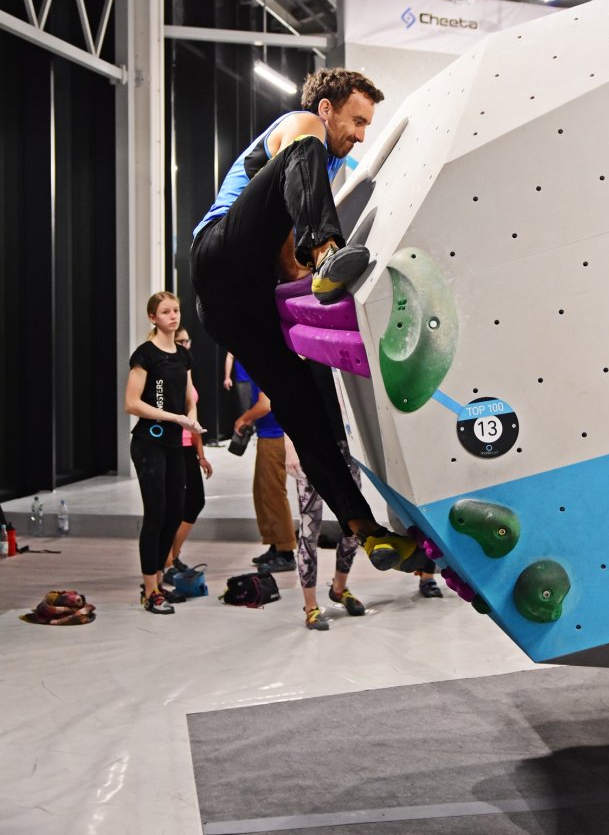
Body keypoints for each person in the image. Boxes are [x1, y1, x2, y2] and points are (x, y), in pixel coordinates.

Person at [190, 67, 431, 576]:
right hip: (217, 256)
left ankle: (364, 528)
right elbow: (288, 219)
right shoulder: (304, 127)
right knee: (306, 155)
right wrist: (322, 257)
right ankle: (328, 248)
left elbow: (283, 262)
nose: (361, 135)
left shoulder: (315, 174)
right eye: (357, 120)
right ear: (327, 108)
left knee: (303, 410)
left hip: (238, 308)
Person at [124, 292, 205, 615]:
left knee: (175, 513)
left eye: (176, 310)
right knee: (155, 514)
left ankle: (158, 581)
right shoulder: (145, 355)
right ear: (153, 318)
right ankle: (149, 590)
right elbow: (131, 403)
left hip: (175, 444)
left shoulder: (183, 357)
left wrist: (193, 417)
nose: (173, 316)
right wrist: (173, 417)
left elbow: (190, 398)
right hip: (149, 443)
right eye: (166, 312)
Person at [285, 360, 365, 632]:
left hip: (346, 447)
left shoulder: (339, 354)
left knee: (356, 525)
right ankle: (310, 606)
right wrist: (290, 447)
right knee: (310, 528)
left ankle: (339, 588)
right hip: (311, 447)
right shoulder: (298, 352)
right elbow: (285, 401)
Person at [232, 362, 297, 573]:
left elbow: (265, 404)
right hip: (267, 434)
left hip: (275, 436)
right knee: (262, 492)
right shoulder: (248, 362)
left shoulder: (260, 362)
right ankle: (275, 544)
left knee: (273, 493)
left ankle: (286, 552)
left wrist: (244, 417)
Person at [162, 327, 213, 586]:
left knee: (193, 503)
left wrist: (201, 455)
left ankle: (173, 556)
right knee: (181, 504)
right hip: (173, 448)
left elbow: (195, 418)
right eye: (179, 341)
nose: (184, 345)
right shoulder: (166, 371)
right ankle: (168, 560)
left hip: (188, 448)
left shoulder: (187, 369)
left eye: (186, 340)